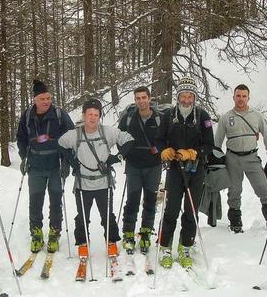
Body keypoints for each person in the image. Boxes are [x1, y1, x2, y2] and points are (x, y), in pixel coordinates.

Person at [58, 98, 134, 262]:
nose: (92, 118)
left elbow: (129, 140)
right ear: (84, 115)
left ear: (99, 116)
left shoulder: (107, 132)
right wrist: (71, 160)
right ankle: (83, 243)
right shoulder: (75, 134)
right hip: (82, 184)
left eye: (96, 115)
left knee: (107, 215)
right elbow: (60, 143)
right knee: (82, 216)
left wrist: (118, 157)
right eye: (89, 114)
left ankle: (111, 241)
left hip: (103, 183)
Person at [155, 76, 214, 268]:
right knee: (171, 209)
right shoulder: (168, 115)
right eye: (183, 95)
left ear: (194, 97)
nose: (186, 99)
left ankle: (186, 244)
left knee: (191, 209)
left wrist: (193, 153)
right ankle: (165, 246)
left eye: (190, 96)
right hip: (174, 168)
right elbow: (158, 140)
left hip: (195, 169)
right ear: (178, 96)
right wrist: (163, 150)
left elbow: (209, 145)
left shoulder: (203, 116)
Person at [215, 84, 267, 236]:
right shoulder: (226, 117)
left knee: (263, 189)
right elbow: (217, 141)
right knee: (234, 191)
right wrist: (215, 159)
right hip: (232, 158)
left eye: (244, 96)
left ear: (248, 98)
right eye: (238, 96)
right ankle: (235, 224)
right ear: (233, 97)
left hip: (251, 157)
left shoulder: (257, 115)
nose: (241, 99)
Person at [16, 79, 74, 254]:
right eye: (42, 98)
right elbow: (21, 138)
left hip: (55, 166)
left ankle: (54, 234)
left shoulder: (59, 114)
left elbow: (71, 137)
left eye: (48, 98)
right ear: (35, 99)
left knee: (56, 202)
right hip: (35, 167)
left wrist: (66, 162)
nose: (46, 101)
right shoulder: (27, 116)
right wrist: (23, 157)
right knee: (35, 202)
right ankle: (36, 234)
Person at [118, 86, 162, 254]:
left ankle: (145, 233)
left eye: (144, 97)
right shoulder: (129, 118)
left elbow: (165, 138)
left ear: (149, 98)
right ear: (135, 100)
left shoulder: (159, 118)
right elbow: (119, 137)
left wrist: (158, 149)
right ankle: (128, 234)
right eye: (138, 98)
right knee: (133, 200)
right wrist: (125, 153)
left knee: (150, 201)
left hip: (154, 165)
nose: (142, 101)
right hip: (134, 165)